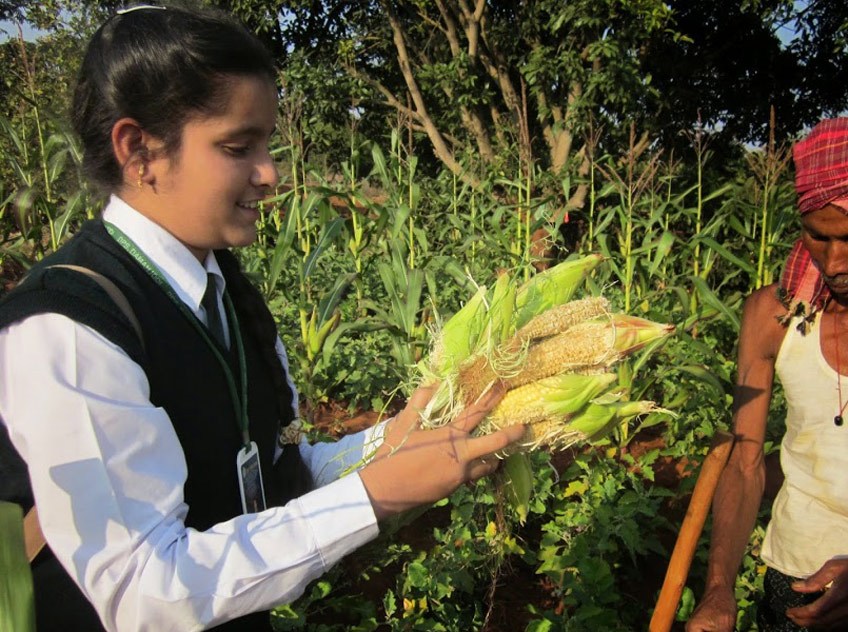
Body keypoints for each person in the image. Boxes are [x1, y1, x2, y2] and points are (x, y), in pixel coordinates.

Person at [0, 4, 523, 631]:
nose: (270, 173)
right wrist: (375, 493)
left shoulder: (219, 290)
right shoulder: (71, 331)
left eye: (267, 142)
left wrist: (396, 437)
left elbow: (268, 475)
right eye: (237, 146)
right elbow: (145, 591)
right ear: (139, 151)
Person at [686, 115, 848, 631]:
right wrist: (718, 591)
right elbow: (744, 464)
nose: (835, 263)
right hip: (789, 586)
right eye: (816, 237)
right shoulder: (776, 315)